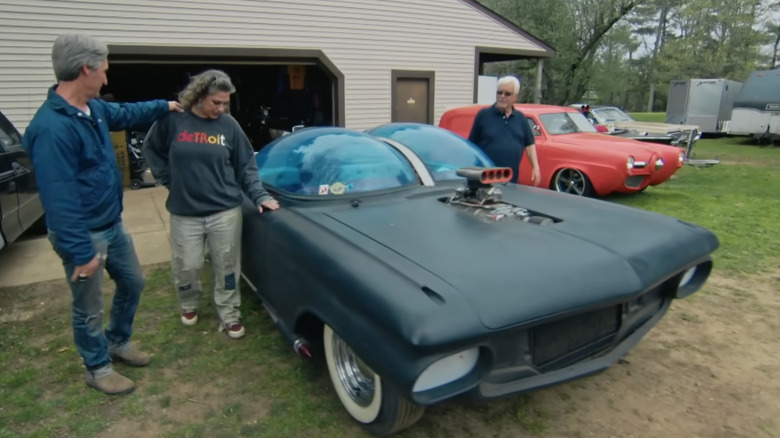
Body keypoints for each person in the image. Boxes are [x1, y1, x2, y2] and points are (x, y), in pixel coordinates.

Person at [21, 34, 183, 395]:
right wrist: (81, 253)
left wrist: (166, 106)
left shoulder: (93, 109)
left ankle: (117, 341)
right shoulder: (51, 128)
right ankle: (97, 367)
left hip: (111, 225)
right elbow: (59, 199)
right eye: (104, 71)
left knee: (133, 283)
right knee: (88, 306)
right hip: (83, 235)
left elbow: (126, 113)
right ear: (85, 69)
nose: (107, 79)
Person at [143, 69, 279, 340]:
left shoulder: (229, 126)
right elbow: (151, 148)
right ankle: (189, 303)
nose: (221, 108)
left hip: (225, 211)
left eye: (225, 103)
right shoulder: (173, 121)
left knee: (227, 265)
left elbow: (246, 166)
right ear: (199, 97)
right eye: (217, 102)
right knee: (188, 264)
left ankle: (229, 312)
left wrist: (260, 196)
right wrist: (168, 179)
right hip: (185, 212)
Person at [468, 76, 541, 185]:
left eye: (507, 94)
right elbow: (471, 146)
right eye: (499, 92)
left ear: (515, 97)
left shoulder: (520, 118)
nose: (502, 96)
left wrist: (535, 167)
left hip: (510, 181)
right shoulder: (483, 115)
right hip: (484, 181)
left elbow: (529, 143)